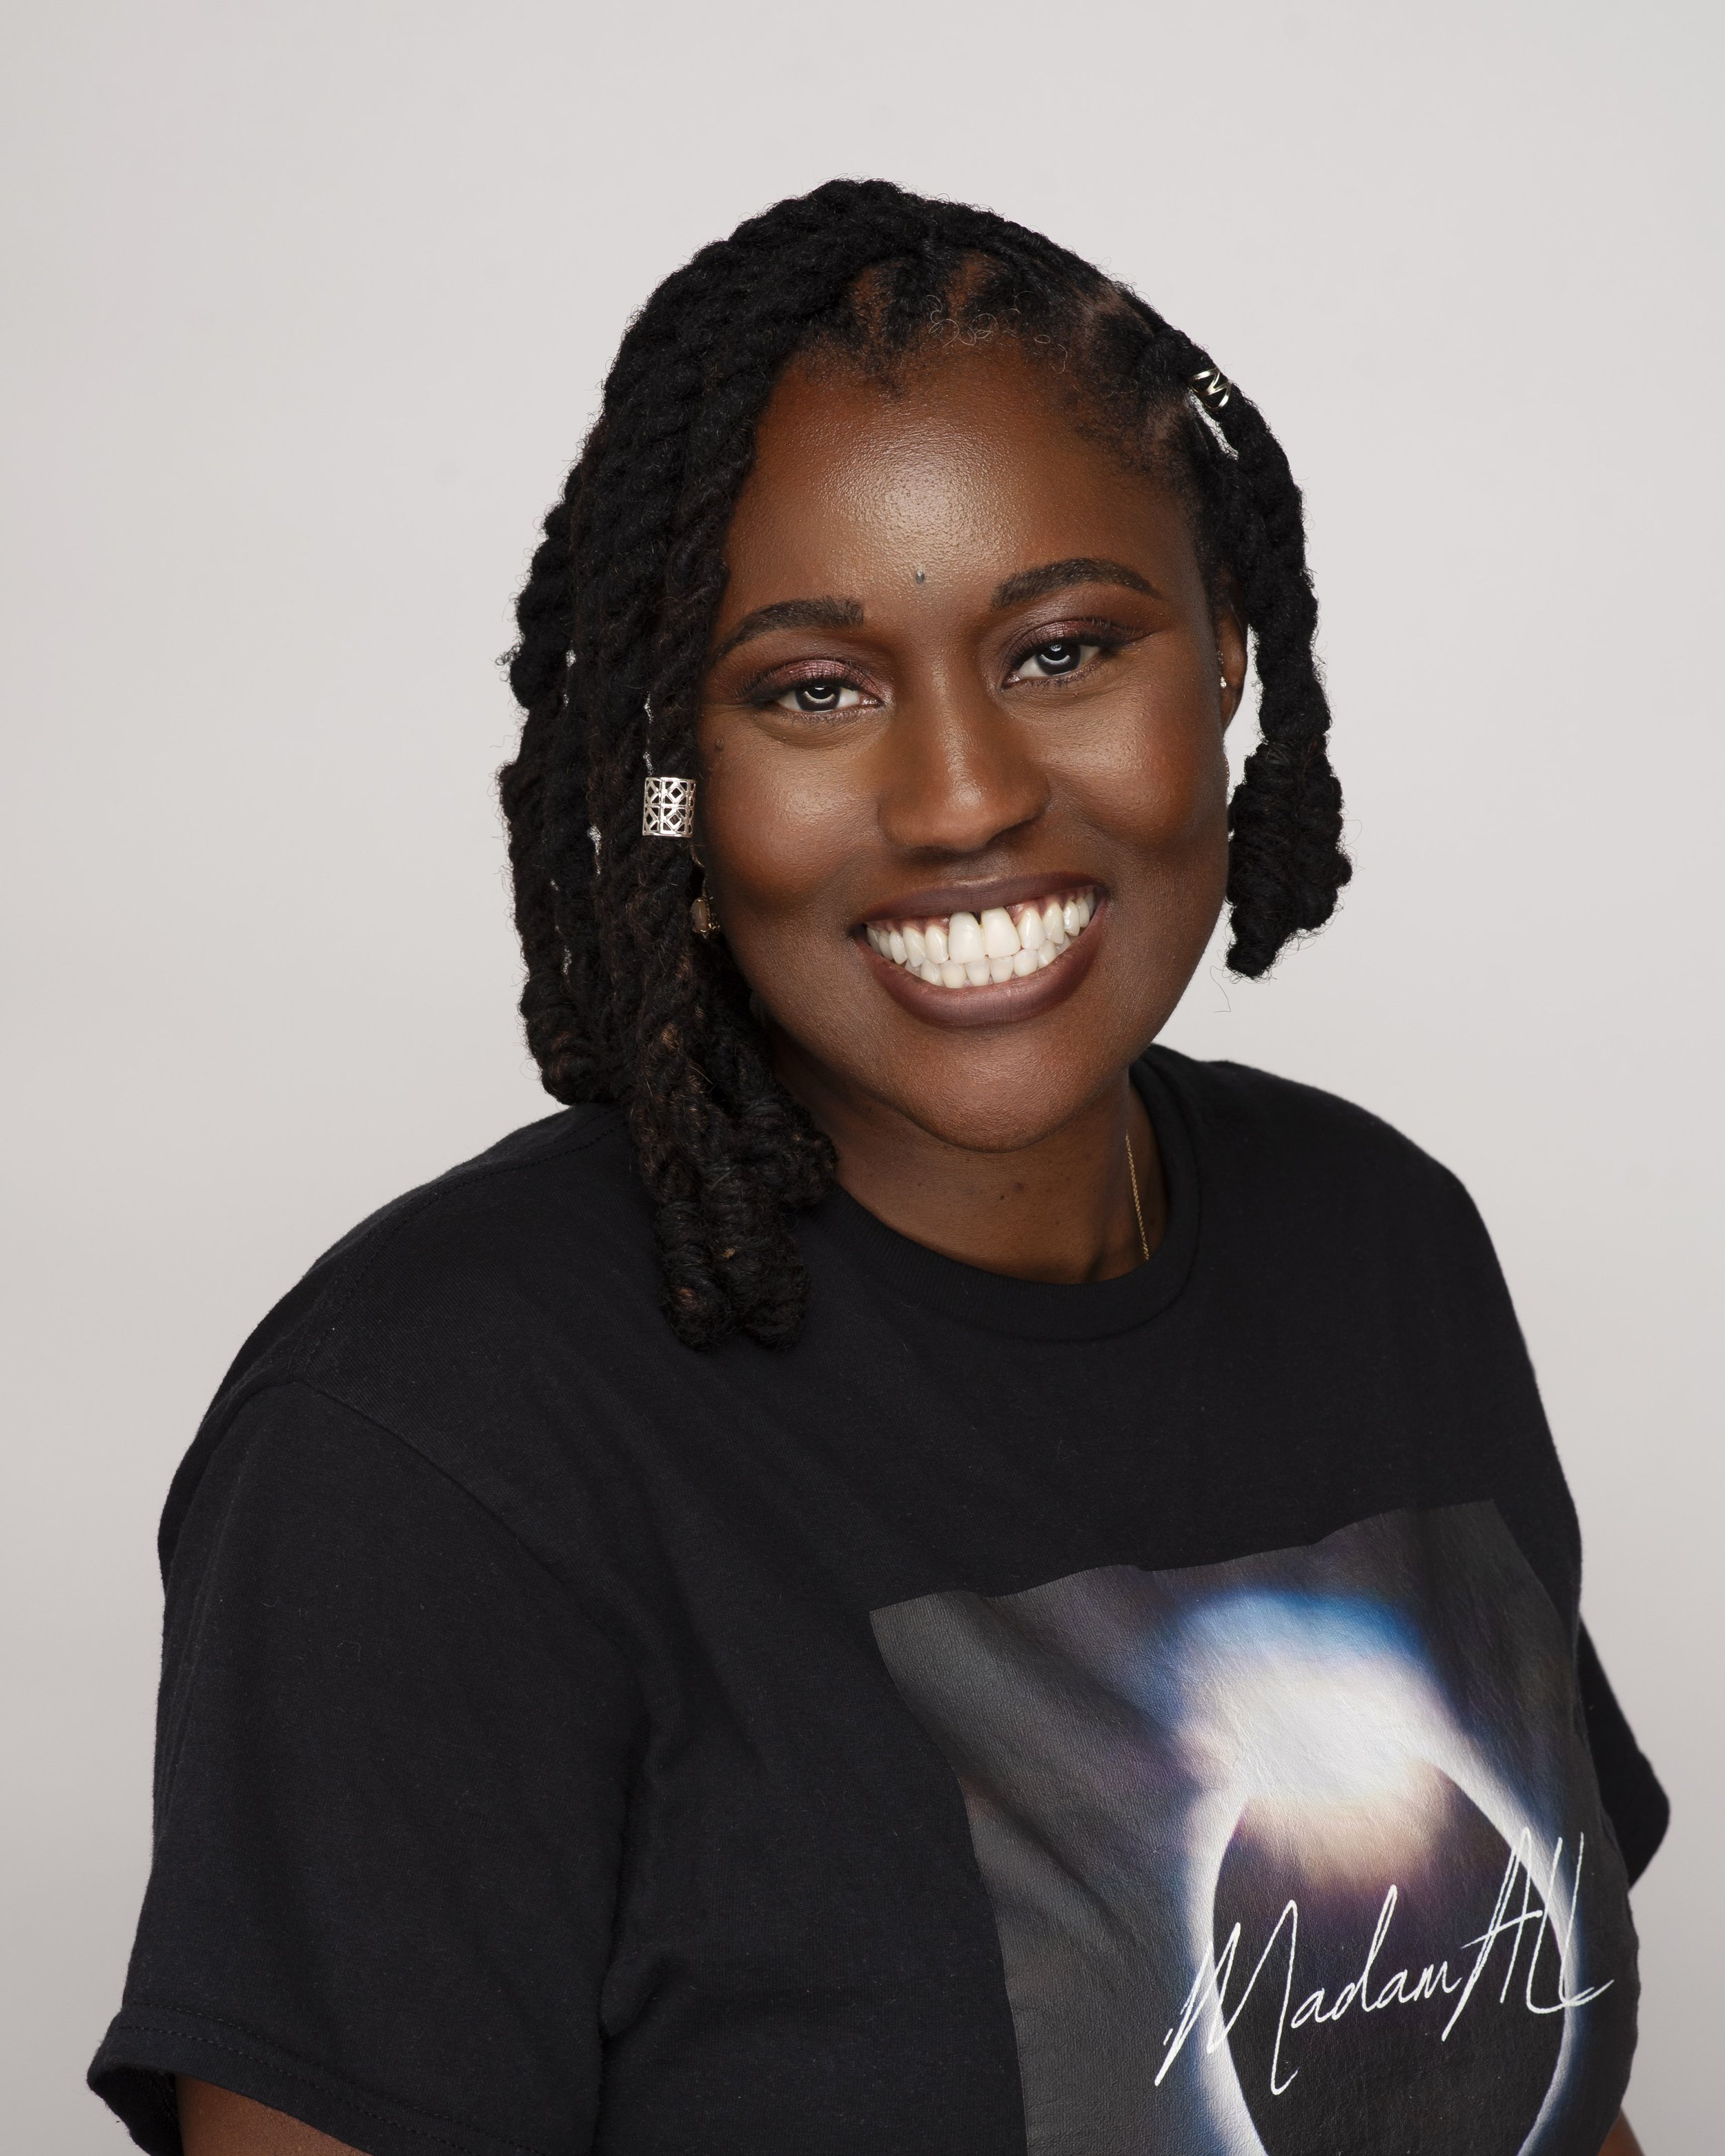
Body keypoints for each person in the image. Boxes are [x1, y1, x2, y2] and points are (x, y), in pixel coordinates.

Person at [88, 180, 1664, 2156]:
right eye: (810, 690)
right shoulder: (436, 1440)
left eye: (1065, 647)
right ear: (677, 769)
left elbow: (1540, 2098)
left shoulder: (1380, 1246)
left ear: (1228, 657)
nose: (961, 798)